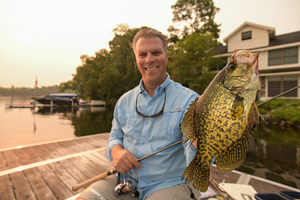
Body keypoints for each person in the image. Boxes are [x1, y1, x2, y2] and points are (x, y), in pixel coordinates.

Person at [77, 28, 200, 200]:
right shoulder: (124, 101)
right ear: (136, 58)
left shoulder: (191, 101)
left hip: (170, 184)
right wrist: (116, 152)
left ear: (166, 55)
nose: (149, 59)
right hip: (125, 181)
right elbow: (115, 136)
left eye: (156, 52)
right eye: (142, 54)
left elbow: (196, 154)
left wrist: (201, 141)